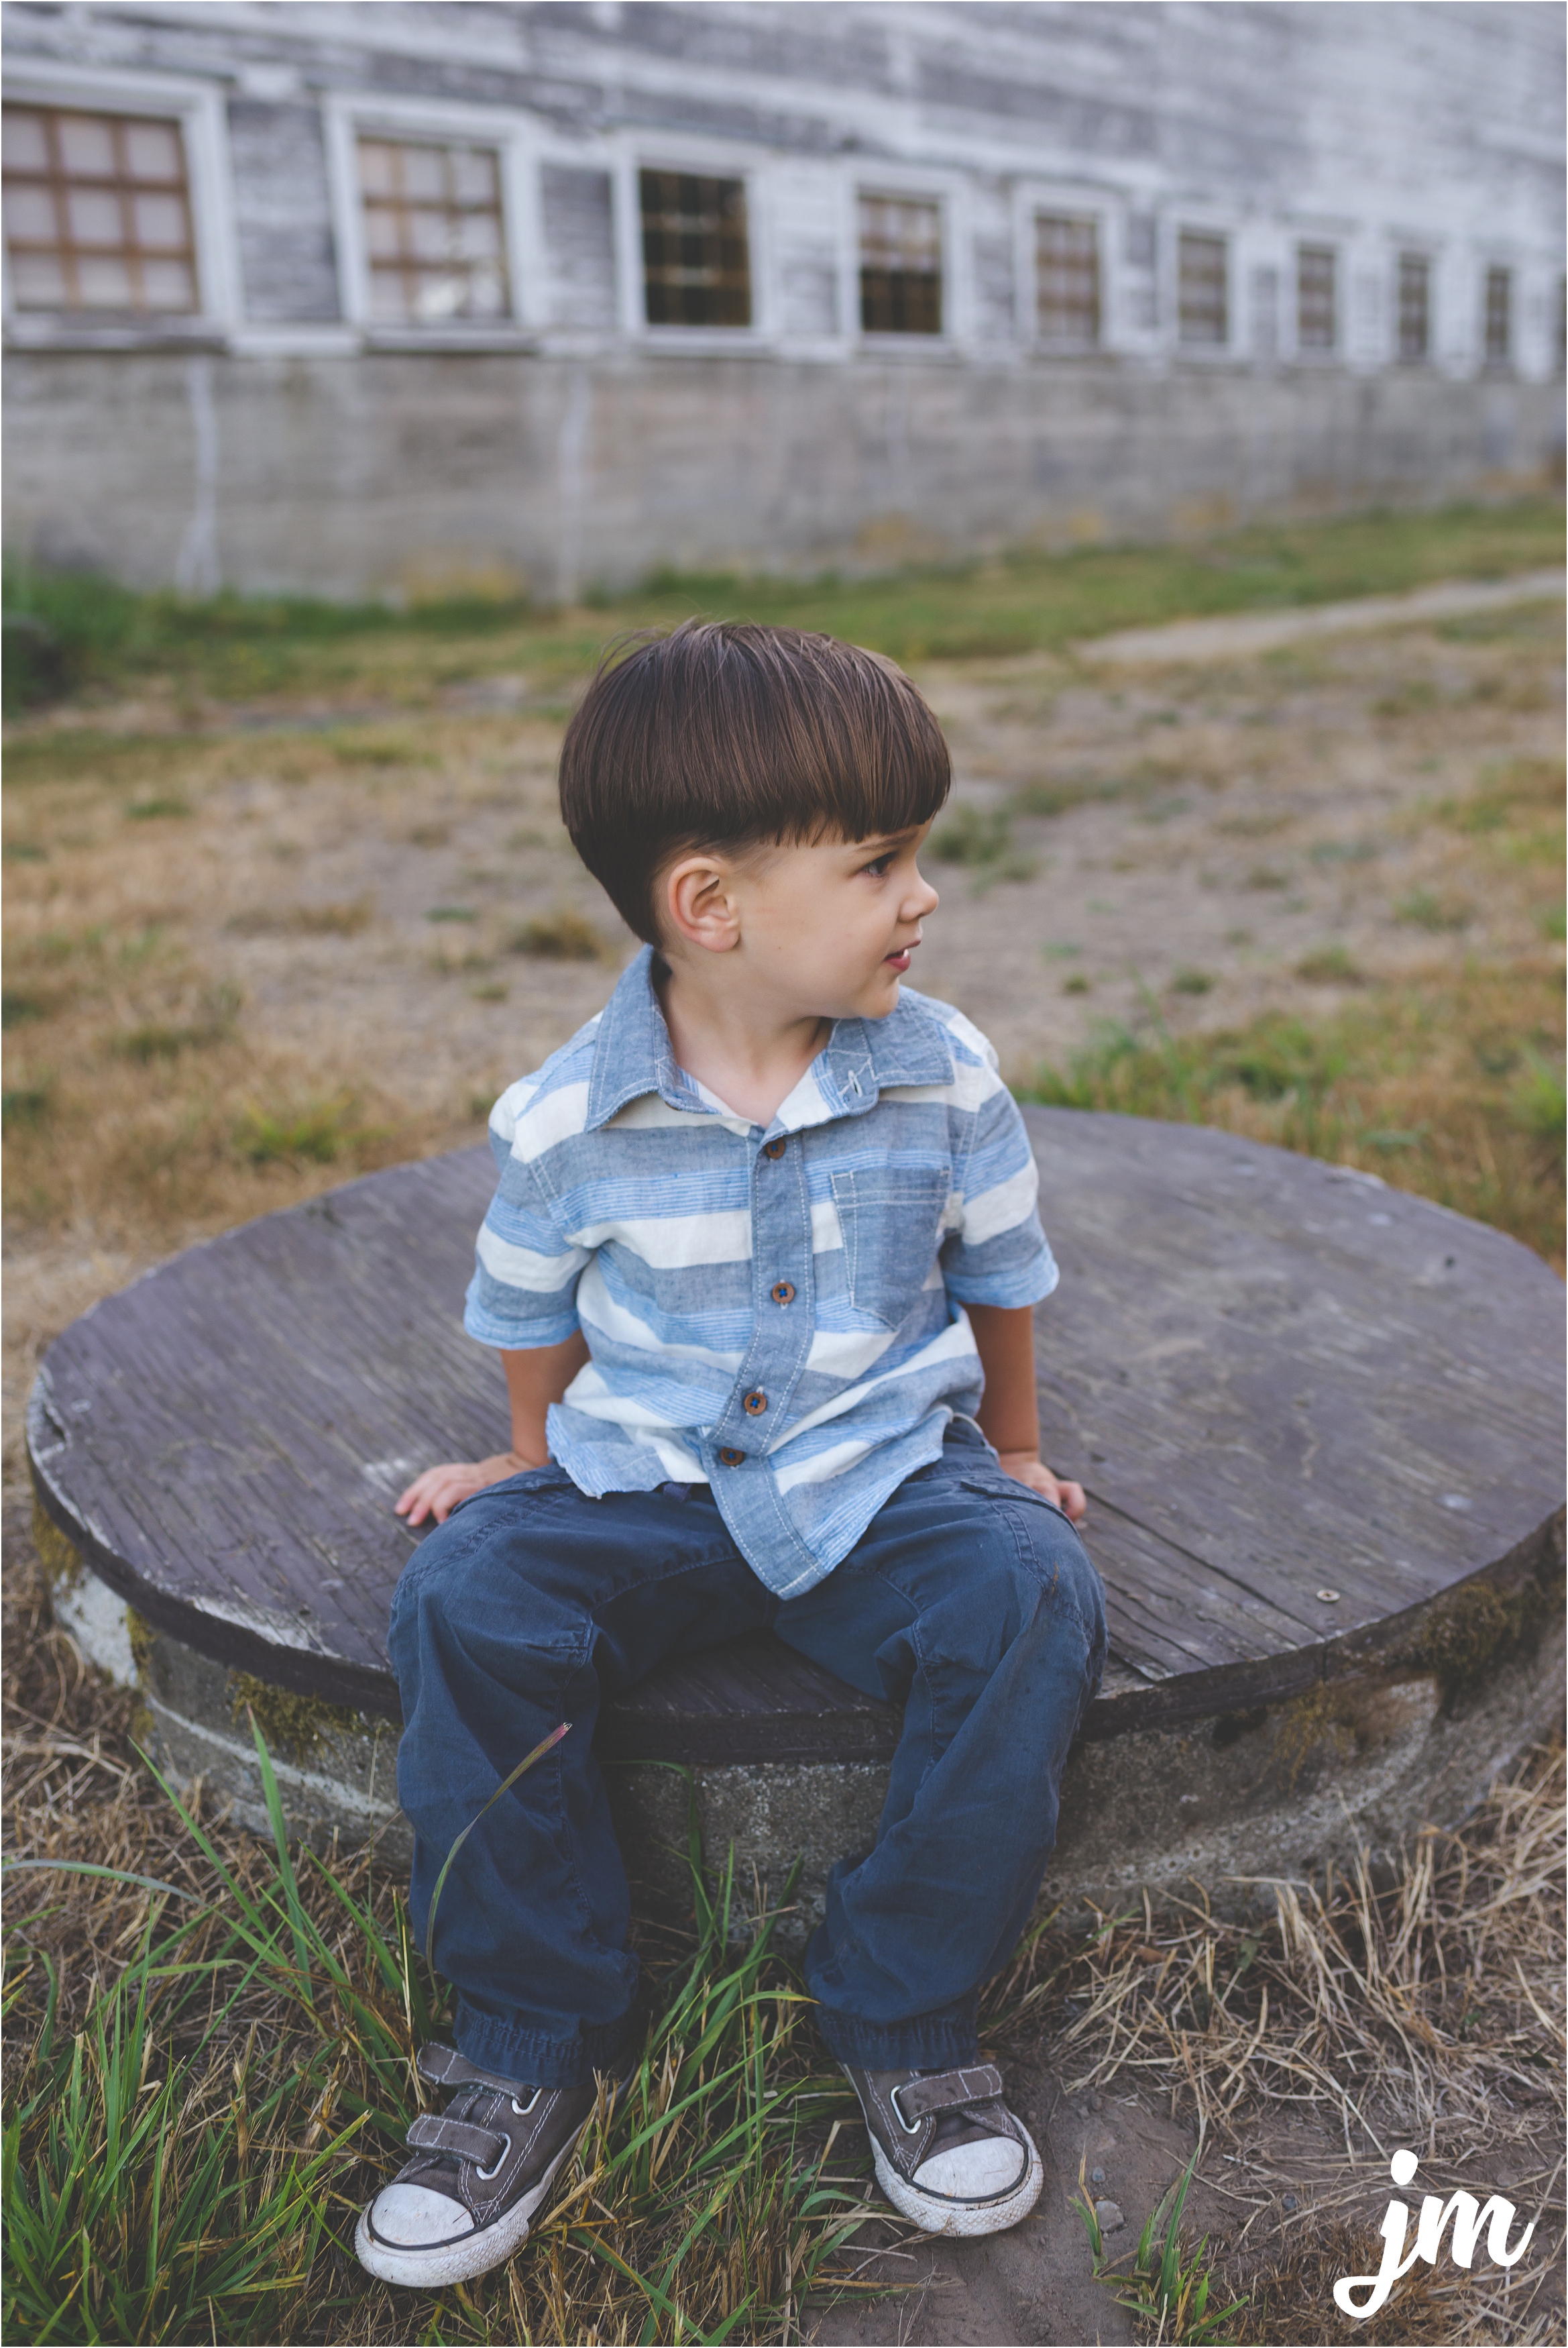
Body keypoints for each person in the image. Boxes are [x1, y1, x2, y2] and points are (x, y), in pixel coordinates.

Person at [354, 622, 1106, 2291]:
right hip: (643, 1482)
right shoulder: (565, 1121)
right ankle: (528, 2036)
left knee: (1035, 1592)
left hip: (881, 1481)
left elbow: (999, 1275)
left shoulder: (941, 1072)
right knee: (464, 1600)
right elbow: (527, 1306)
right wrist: (523, 1460)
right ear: (713, 906)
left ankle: (902, 2008)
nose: (923, 898)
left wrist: (1022, 1454)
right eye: (879, 863)